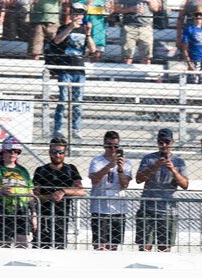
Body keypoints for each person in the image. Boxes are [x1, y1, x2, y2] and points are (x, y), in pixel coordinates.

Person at [45, 3, 95, 140]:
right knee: (63, 100)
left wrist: (88, 33)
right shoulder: (64, 28)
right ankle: (58, 128)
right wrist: (70, 27)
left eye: (80, 13)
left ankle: (76, 129)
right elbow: (56, 41)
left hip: (79, 69)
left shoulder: (85, 29)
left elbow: (92, 49)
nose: (77, 16)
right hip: (65, 68)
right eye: (75, 13)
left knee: (77, 102)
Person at [135, 128, 189, 252]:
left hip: (168, 210)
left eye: (167, 142)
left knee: (164, 249)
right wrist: (154, 166)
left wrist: (173, 169)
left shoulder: (179, 161)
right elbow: (139, 179)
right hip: (147, 208)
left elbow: (185, 184)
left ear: (172, 142)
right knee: (144, 246)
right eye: (161, 142)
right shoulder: (148, 159)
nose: (164, 145)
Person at [0, 137, 36, 247]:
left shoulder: (22, 170)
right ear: (3, 152)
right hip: (1, 208)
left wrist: (34, 213)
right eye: (10, 151)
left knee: (22, 242)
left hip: (21, 209)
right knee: (3, 243)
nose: (13, 154)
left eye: (16, 152)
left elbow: (30, 193)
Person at [32, 138, 86, 248]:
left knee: (60, 248)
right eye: (54, 152)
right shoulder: (41, 170)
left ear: (65, 153)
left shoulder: (71, 169)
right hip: (44, 217)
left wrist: (63, 191)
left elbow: (81, 191)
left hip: (62, 217)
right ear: (49, 152)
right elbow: (35, 195)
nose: (57, 155)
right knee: (40, 247)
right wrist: (50, 197)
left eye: (61, 152)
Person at [88, 131, 131, 250]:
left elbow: (125, 184)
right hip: (100, 208)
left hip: (118, 209)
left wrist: (120, 169)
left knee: (113, 247)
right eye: (109, 145)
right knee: (99, 246)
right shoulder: (97, 161)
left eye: (116, 146)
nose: (112, 149)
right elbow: (95, 180)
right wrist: (110, 165)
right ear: (104, 145)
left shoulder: (126, 162)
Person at [181, 6, 202, 83]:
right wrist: (189, 63)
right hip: (194, 59)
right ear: (193, 16)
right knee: (194, 82)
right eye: (196, 15)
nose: (198, 17)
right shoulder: (189, 29)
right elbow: (185, 48)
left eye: (201, 14)